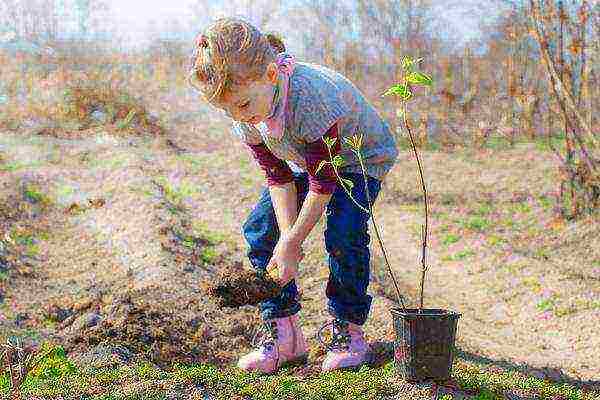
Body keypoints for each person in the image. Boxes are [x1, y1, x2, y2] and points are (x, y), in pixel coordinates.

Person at [187, 17, 399, 374]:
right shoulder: (247, 110)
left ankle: (348, 331)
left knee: (344, 232)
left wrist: (294, 242)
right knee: (261, 229)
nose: (239, 116)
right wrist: (288, 240)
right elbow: (279, 178)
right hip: (305, 159)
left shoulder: (309, 96)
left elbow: (323, 183)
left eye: (241, 105)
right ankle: (285, 336)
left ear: (271, 75)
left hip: (358, 157)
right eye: (228, 110)